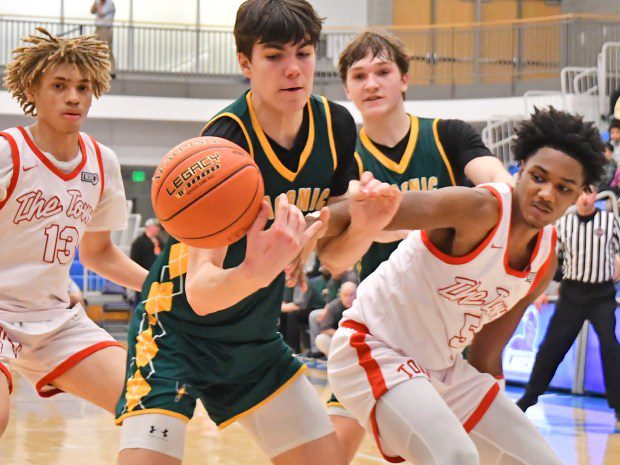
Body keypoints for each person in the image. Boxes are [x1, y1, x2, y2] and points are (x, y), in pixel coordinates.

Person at [114, 2, 370, 464]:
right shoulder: (224, 144)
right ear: (245, 62)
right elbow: (203, 292)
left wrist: (356, 227)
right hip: (175, 330)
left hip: (251, 335)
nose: (293, 69)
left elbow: (333, 252)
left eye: (305, 53)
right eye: (274, 56)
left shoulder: (336, 126)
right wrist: (259, 267)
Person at [321, 107, 605, 464]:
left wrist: (493, 411)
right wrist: (301, 228)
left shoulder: (545, 260)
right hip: (373, 344)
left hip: (443, 369)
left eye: (563, 188)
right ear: (518, 170)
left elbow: (486, 354)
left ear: (578, 195)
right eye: (538, 177)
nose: (547, 194)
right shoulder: (479, 208)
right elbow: (360, 212)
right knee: (454, 456)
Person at [325, 30, 514, 463]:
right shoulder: (345, 159)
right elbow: (335, 259)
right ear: (348, 89)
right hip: (379, 329)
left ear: (404, 79)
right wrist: (373, 227)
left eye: (382, 71)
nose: (371, 83)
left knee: (460, 454)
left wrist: (504, 193)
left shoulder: (447, 135)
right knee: (332, 453)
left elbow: (493, 179)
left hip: (448, 328)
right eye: (359, 75)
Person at [0, 28, 147, 438]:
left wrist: (158, 285)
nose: (73, 97)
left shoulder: (103, 163)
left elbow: (98, 254)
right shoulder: (7, 153)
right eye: (60, 85)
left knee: (147, 403)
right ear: (33, 87)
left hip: (53, 320)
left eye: (83, 87)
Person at [517, 185, 620, 421]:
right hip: (572, 293)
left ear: (596, 196)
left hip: (601, 295)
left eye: (590, 192)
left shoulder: (610, 221)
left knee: (610, 347)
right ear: (577, 196)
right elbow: (551, 261)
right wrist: (541, 290)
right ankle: (530, 396)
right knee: (551, 347)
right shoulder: (564, 224)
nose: (585, 198)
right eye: (582, 193)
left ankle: (618, 405)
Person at [308, 281, 357, 357]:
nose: (348, 298)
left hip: (358, 339)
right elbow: (324, 329)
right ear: (340, 295)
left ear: (357, 295)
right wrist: (343, 334)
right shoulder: (333, 307)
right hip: (339, 339)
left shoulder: (361, 306)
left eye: (351, 295)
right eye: (345, 295)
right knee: (320, 339)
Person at [90, 0, 116, 76]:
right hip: (98, 29)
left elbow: (100, 13)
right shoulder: (98, 2)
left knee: (106, 50)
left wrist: (100, 3)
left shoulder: (110, 3)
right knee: (94, 49)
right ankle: (96, 69)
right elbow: (92, 11)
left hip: (106, 30)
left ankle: (111, 71)